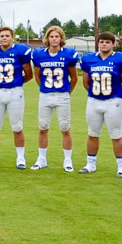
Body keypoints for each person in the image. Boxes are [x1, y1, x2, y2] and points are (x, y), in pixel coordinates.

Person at [78, 32, 122, 176]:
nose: (104, 44)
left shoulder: (121, 59)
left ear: (113, 44)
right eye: (102, 42)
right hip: (93, 101)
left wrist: (118, 99)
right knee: (92, 134)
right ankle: (90, 164)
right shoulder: (89, 59)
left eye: (107, 42)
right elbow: (86, 83)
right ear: (98, 43)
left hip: (113, 101)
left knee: (116, 135)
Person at [0, 26, 33, 168]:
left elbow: (29, 74)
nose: (4, 38)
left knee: (17, 127)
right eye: (2, 36)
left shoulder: (20, 51)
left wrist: (15, 83)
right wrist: (0, 82)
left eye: (7, 36)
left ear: (12, 37)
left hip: (15, 92)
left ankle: (21, 158)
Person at [31, 26, 79, 171]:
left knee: (65, 128)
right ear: (47, 38)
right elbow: (37, 76)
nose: (54, 39)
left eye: (57, 36)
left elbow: (74, 78)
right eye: (51, 36)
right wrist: (45, 89)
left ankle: (68, 160)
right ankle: (42, 159)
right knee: (43, 128)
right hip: (45, 95)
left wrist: (66, 93)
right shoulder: (39, 55)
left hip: (62, 95)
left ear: (61, 38)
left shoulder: (68, 55)